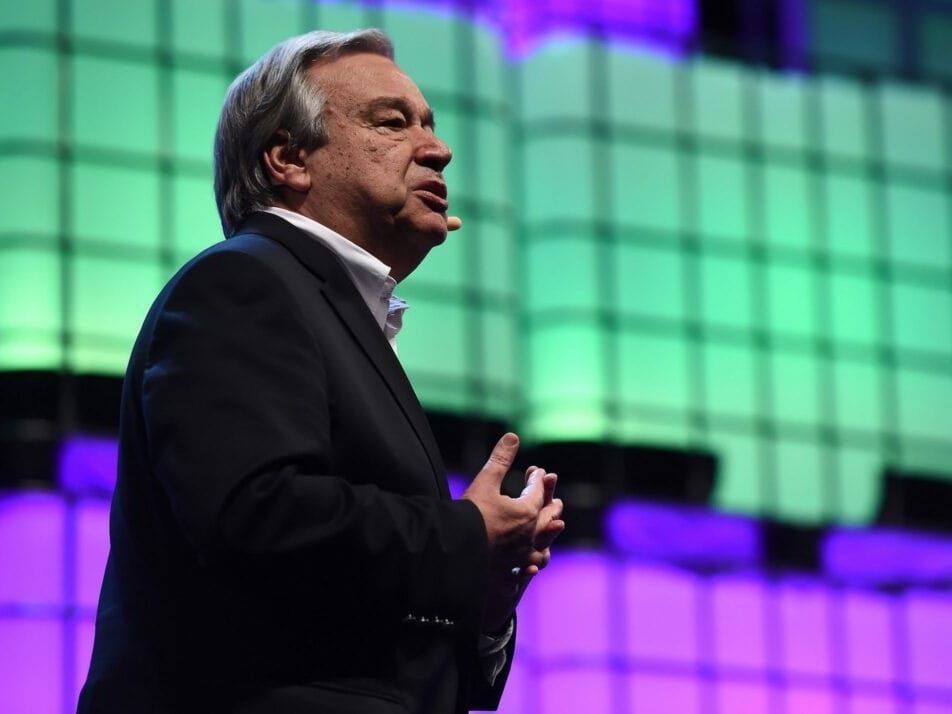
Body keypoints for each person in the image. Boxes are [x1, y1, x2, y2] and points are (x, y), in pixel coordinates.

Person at [78, 29, 564, 714]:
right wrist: (462, 535)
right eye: (392, 122)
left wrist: (481, 599)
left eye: (430, 124)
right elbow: (255, 516)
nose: (438, 148)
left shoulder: (326, 309)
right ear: (288, 158)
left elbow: (363, 637)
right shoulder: (241, 284)